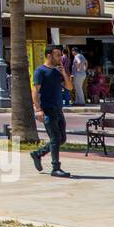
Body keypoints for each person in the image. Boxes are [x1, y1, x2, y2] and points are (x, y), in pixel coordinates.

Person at [30, 46, 70, 177]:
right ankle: (55, 167)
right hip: (47, 109)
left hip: (58, 109)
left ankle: (38, 154)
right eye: (57, 55)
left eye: (60, 55)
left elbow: (69, 87)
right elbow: (35, 91)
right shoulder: (40, 71)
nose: (60, 58)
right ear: (49, 56)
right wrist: (38, 109)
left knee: (61, 139)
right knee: (55, 138)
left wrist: (64, 73)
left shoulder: (58, 72)